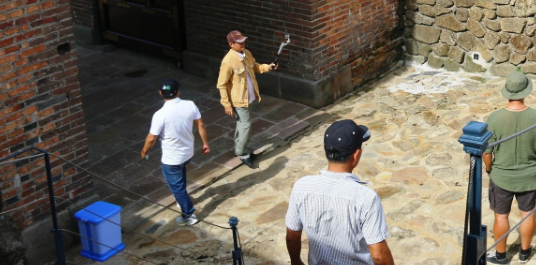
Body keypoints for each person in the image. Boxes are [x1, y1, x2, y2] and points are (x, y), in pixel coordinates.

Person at [285, 120, 394, 265]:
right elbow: (378, 254)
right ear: (356, 155)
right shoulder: (366, 198)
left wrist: (295, 261)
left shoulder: (302, 187)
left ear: (326, 152)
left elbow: (292, 235)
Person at [483, 69, 536, 264]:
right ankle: (524, 253)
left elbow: (487, 153)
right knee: (527, 213)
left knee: (501, 216)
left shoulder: (494, 118)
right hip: (528, 176)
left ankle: (501, 256)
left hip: (501, 177)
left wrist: (489, 169)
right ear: (525, 91)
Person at [140, 78, 210, 226]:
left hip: (171, 159)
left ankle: (189, 214)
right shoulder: (190, 105)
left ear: (160, 93)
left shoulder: (160, 114)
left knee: (176, 187)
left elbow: (151, 138)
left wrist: (144, 151)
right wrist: (205, 143)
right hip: (187, 153)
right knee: (181, 177)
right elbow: (200, 124)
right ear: (178, 92)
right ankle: (182, 201)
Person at [217, 30, 277, 168]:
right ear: (231, 44)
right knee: (246, 125)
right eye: (239, 42)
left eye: (243, 41)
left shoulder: (247, 53)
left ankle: (240, 149)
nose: (243, 44)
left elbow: (255, 66)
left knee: (242, 124)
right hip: (238, 100)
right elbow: (221, 84)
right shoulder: (228, 61)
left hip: (248, 98)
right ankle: (243, 153)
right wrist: (226, 104)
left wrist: (267, 67)